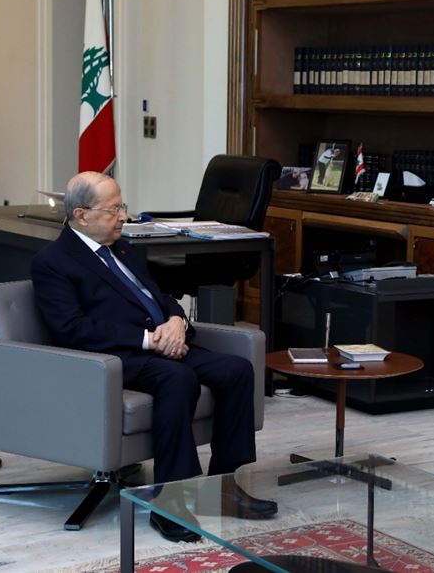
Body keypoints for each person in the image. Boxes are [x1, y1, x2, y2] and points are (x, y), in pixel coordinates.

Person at [31, 172, 277, 542]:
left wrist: (177, 322)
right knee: (177, 378)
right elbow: (72, 329)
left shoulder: (125, 249)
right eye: (113, 210)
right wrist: (148, 340)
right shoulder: (53, 262)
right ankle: (169, 502)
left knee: (237, 370)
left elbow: (160, 298)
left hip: (162, 342)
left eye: (123, 207)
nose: (123, 217)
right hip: (113, 358)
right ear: (81, 215)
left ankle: (222, 488)